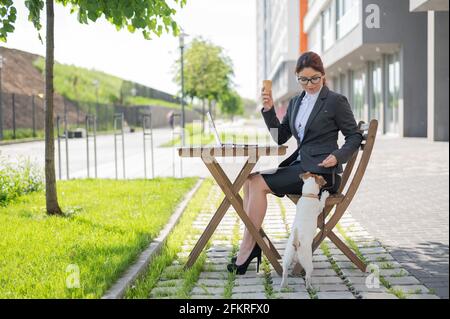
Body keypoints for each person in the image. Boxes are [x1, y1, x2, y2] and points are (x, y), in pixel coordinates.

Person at [227, 51, 363, 274]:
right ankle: (252, 246)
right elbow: (280, 137)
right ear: (297, 78)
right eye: (303, 79)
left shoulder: (335, 101)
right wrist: (269, 111)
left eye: (314, 78)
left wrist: (338, 156)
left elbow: (354, 136)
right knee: (249, 180)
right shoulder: (295, 102)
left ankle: (247, 249)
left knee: (258, 183)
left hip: (320, 175)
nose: (309, 84)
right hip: (300, 168)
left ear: (323, 75)